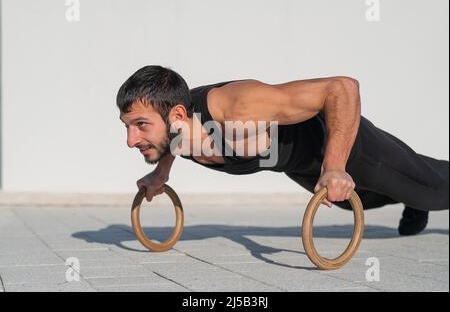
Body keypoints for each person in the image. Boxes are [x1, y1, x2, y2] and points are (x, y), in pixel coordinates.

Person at [117, 65, 449, 236]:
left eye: (140, 126)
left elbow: (342, 87)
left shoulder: (238, 106)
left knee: (433, 189)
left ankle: (420, 198)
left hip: (345, 146)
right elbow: (173, 144)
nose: (131, 140)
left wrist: (334, 165)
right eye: (127, 126)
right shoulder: (176, 129)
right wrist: (161, 173)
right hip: (299, 165)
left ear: (176, 115)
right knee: (355, 203)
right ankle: (412, 197)